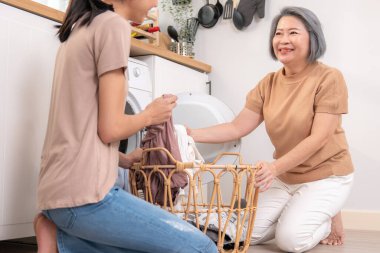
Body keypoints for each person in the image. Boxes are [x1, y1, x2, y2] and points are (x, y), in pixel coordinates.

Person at [34, 0, 218, 253]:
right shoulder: (112, 25)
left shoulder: (80, 28)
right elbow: (109, 129)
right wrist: (150, 115)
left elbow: (79, 129)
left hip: (57, 194)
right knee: (202, 249)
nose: (156, 1)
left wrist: (124, 159)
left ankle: (60, 239)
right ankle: (65, 241)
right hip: (86, 198)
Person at [187, 6, 354, 253]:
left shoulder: (329, 78)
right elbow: (237, 127)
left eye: (293, 33)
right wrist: (190, 134)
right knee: (246, 235)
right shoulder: (269, 83)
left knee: (290, 241)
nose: (283, 40)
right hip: (286, 176)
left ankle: (325, 220)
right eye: (279, 33)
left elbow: (320, 138)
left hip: (326, 175)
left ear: (312, 37)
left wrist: (274, 168)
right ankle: (302, 210)